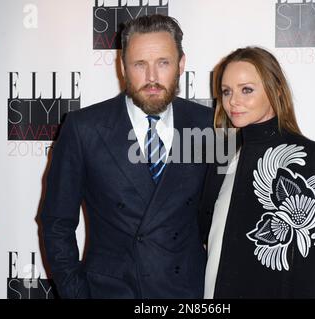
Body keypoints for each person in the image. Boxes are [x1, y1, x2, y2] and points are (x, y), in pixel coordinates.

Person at [40, 14, 213, 299]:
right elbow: (56, 221)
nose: (152, 78)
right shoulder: (84, 128)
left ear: (181, 64)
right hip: (110, 291)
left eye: (163, 63)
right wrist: (77, 293)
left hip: (186, 292)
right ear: (122, 67)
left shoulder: (208, 125)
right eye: (139, 64)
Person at [199, 47, 315, 298]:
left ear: (276, 89)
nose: (233, 101)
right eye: (226, 91)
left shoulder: (312, 158)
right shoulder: (222, 158)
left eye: (247, 90)